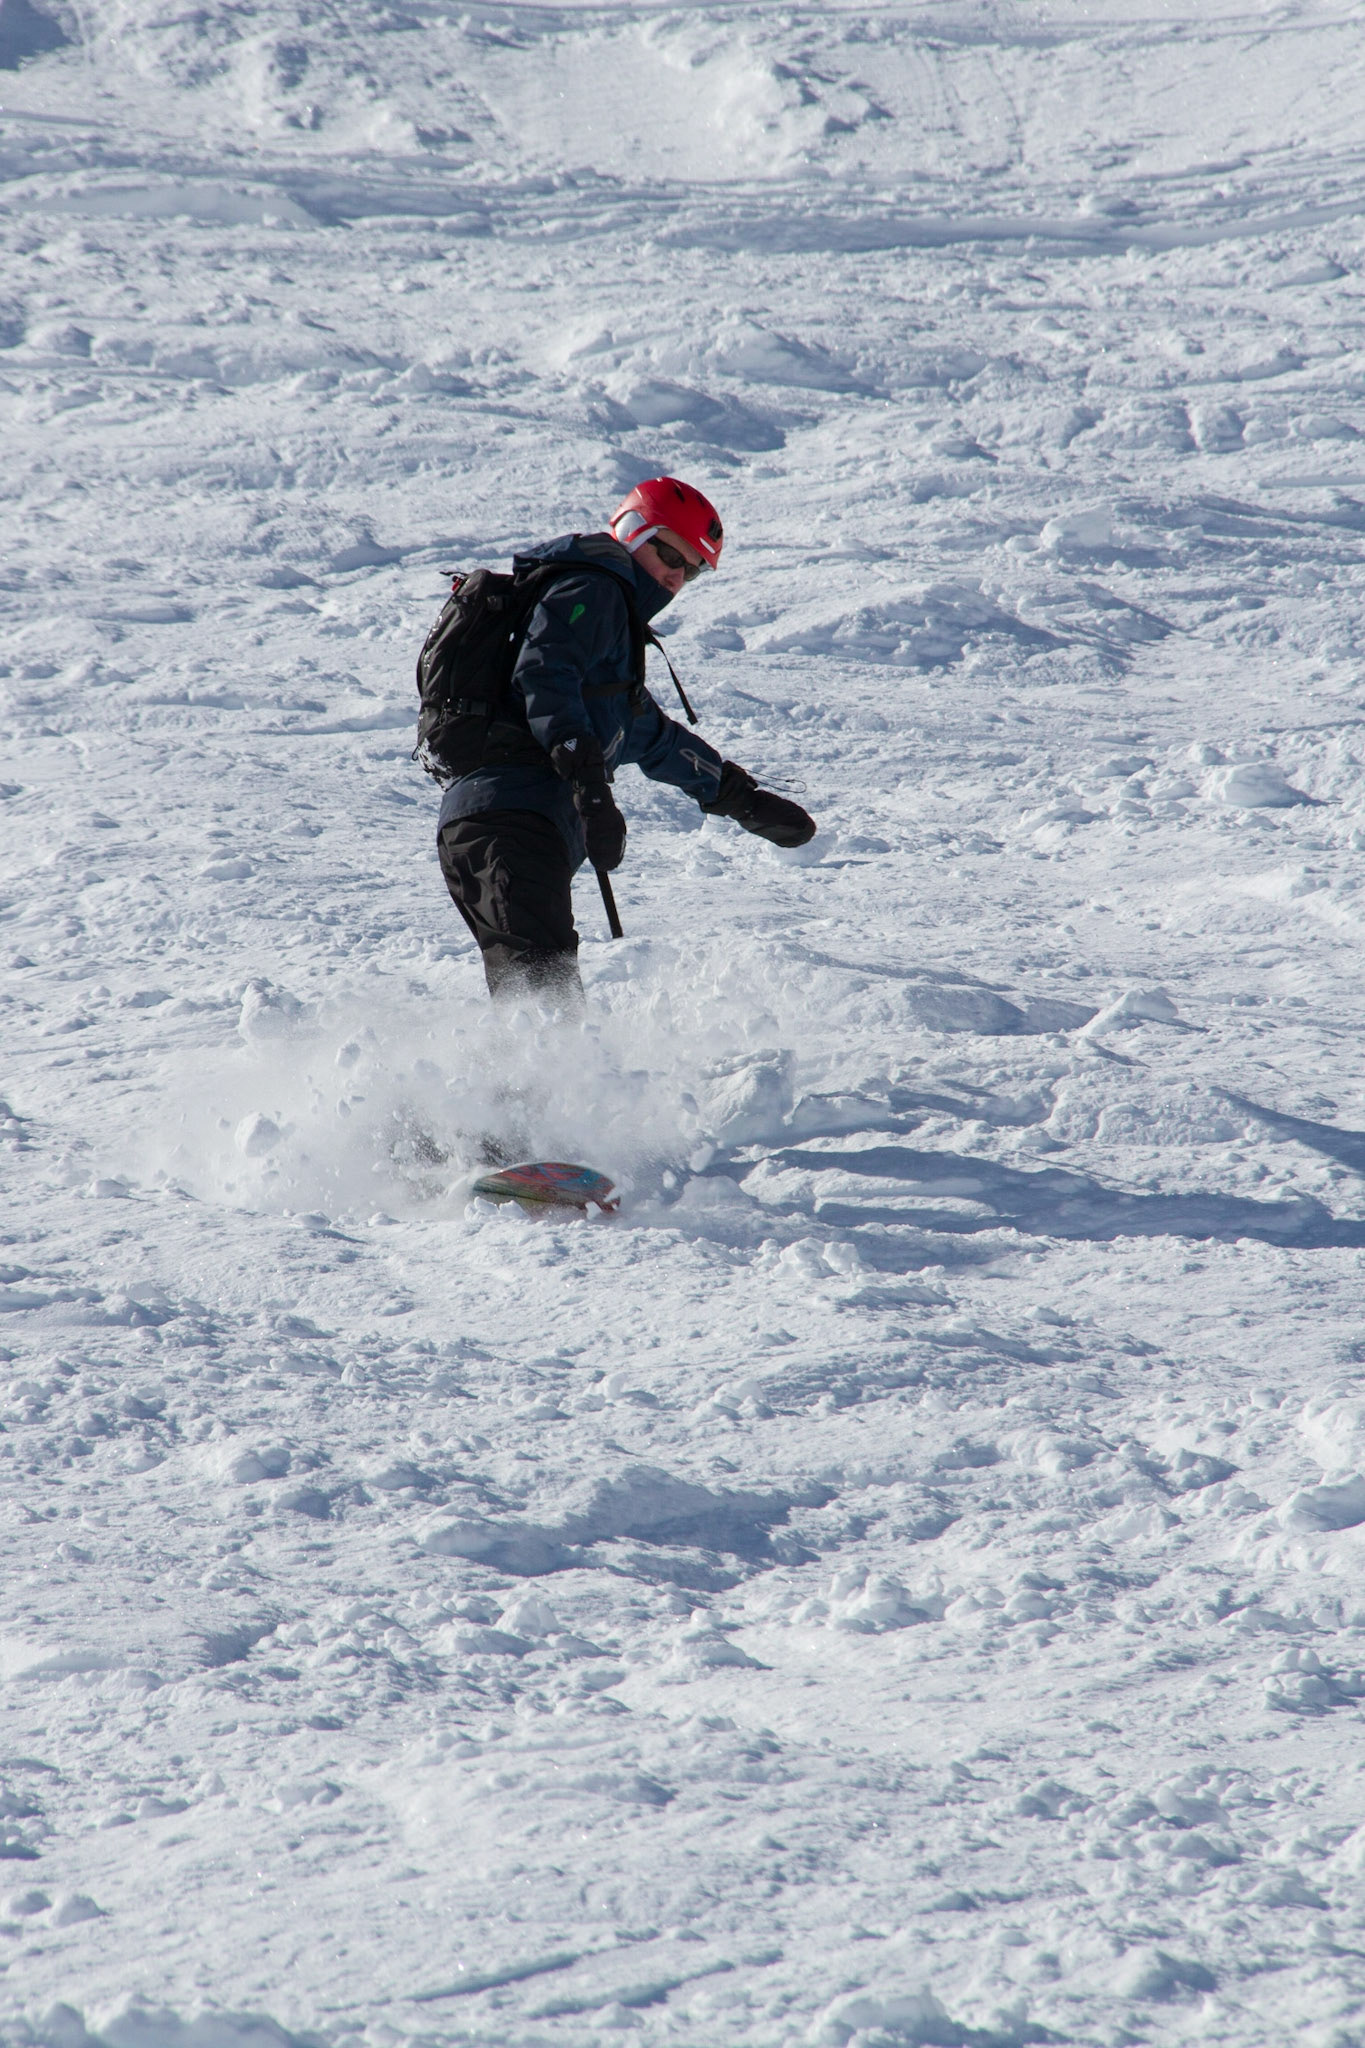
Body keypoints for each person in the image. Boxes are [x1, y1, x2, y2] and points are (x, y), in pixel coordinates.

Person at [436, 476, 816, 1003]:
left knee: (543, 1001)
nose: (676, 576)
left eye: (693, 569)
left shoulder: (612, 635)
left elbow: (650, 735)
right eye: (669, 553)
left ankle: (495, 1086)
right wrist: (590, 788)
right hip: (510, 818)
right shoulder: (595, 588)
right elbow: (544, 675)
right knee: (542, 1006)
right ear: (634, 530)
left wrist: (742, 800)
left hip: (509, 825)